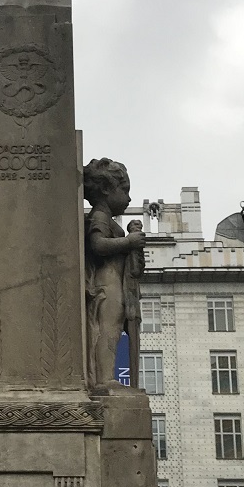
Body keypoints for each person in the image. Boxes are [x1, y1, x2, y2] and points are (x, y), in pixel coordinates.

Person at [84, 158, 146, 389]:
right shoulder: (99, 217)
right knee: (107, 329)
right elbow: (98, 244)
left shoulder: (108, 219)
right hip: (105, 284)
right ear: (106, 189)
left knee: (113, 329)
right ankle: (103, 379)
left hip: (115, 283)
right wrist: (128, 241)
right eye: (125, 190)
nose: (129, 198)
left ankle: (105, 376)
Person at [123, 219, 146, 388]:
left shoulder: (136, 251)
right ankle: (133, 386)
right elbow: (135, 271)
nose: (139, 230)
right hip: (127, 297)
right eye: (136, 227)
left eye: (140, 227)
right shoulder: (129, 249)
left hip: (131, 297)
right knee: (132, 340)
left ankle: (134, 386)